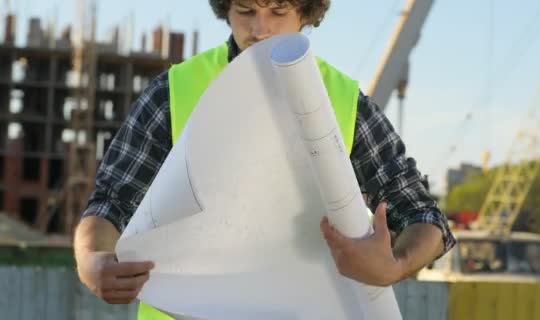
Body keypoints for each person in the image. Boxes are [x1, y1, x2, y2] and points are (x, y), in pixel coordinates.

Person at [74, 0, 456, 318]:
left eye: (277, 10)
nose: (260, 29)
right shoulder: (171, 94)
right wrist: (91, 259)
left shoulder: (345, 104)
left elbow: (424, 216)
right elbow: (112, 202)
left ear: (306, 11)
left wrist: (396, 264)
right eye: (245, 10)